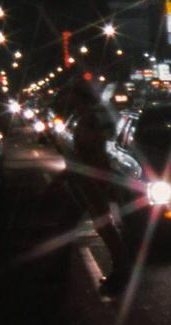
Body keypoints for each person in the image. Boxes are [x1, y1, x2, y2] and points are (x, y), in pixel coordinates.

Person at [54, 76, 130, 294]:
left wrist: (98, 180)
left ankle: (121, 269)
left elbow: (95, 153)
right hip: (85, 179)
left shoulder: (90, 120)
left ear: (79, 96)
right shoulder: (85, 117)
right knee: (88, 223)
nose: (68, 98)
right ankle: (119, 268)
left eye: (71, 94)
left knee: (102, 225)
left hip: (91, 180)